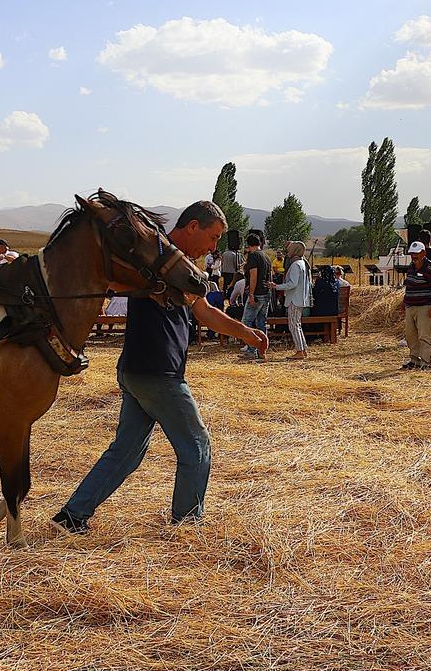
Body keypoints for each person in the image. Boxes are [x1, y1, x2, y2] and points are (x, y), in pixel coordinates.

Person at [52, 201, 269, 534]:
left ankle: (72, 516)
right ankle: (187, 526)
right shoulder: (150, 255)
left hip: (138, 370)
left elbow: (203, 312)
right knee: (197, 446)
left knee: (126, 451)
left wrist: (247, 333)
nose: (213, 248)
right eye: (212, 238)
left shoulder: (179, 266)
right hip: (158, 372)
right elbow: (111, 278)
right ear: (192, 226)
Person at [401, 240, 431, 370]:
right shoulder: (411, 267)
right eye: (412, 254)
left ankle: (426, 363)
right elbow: (409, 286)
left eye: (416, 254)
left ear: (423, 253)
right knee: (411, 335)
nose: (414, 256)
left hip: (425, 307)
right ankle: (415, 360)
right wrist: (404, 301)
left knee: (424, 336)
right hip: (410, 306)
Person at [272, 241, 312, 361]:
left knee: (294, 325)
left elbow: (292, 283)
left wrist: (276, 286)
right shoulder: (302, 263)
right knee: (297, 325)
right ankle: (303, 349)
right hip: (299, 298)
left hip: (294, 298)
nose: (288, 251)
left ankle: (300, 351)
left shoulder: (295, 265)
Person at [238, 235, 272, 361]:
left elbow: (253, 276)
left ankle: (251, 350)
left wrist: (251, 294)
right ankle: (262, 350)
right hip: (266, 293)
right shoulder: (266, 256)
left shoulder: (253, 256)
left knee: (246, 322)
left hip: (257, 293)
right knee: (261, 323)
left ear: (248, 244)